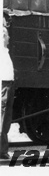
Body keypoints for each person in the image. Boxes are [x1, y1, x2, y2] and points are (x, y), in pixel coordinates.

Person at [1, 16, 14, 159]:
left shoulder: (5, 52)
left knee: (6, 118)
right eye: (7, 35)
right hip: (3, 84)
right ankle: (2, 151)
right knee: (2, 118)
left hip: (9, 84)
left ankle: (3, 150)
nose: (9, 38)